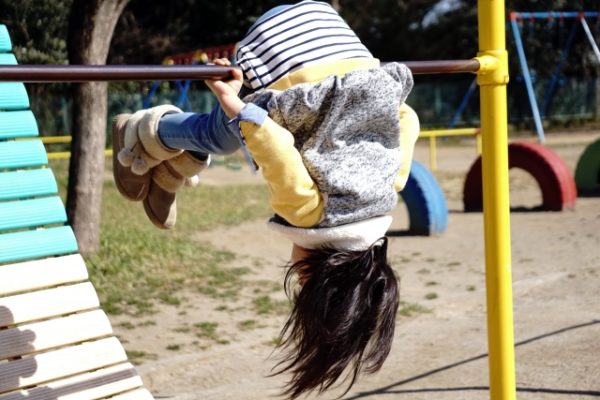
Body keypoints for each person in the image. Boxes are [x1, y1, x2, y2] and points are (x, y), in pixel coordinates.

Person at [112, 1, 420, 398]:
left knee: (234, 132)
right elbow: (275, 149)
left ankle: (172, 167)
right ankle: (145, 133)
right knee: (223, 133)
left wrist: (369, 101)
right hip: (276, 50)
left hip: (338, 36)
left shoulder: (388, 188)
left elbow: (406, 121)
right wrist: (239, 107)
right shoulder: (309, 214)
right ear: (311, 276)